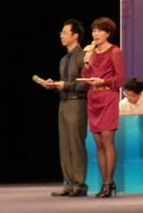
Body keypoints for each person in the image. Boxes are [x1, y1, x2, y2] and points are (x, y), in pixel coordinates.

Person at [80, 17, 125, 198]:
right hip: (93, 98)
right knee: (98, 144)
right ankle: (106, 183)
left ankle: (108, 182)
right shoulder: (91, 53)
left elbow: (120, 78)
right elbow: (85, 77)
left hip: (108, 97)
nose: (95, 34)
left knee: (107, 141)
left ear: (108, 33)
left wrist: (103, 81)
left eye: (99, 31)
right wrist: (86, 64)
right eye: (94, 31)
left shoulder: (115, 51)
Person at [44, 19, 89, 197]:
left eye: (65, 32)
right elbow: (65, 84)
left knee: (76, 144)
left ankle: (79, 184)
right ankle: (69, 183)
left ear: (75, 35)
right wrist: (54, 85)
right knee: (65, 144)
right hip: (63, 103)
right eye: (61, 33)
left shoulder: (84, 56)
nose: (61, 36)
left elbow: (84, 84)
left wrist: (65, 85)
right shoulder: (64, 59)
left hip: (77, 102)